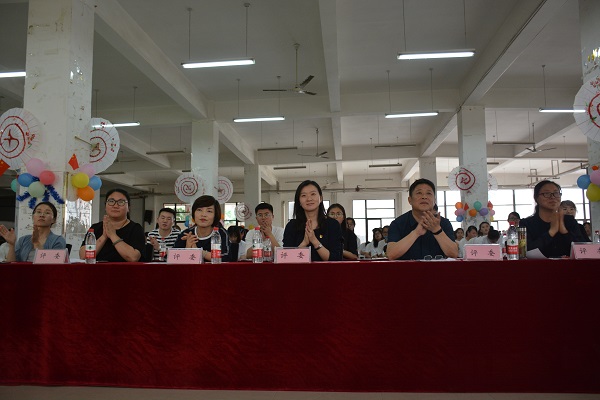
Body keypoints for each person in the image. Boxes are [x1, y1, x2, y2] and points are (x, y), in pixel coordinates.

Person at [387, 179, 457, 260]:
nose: (424, 197)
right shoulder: (398, 224)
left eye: (429, 193)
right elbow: (391, 255)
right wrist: (416, 233)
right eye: (419, 193)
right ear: (410, 200)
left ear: (434, 200)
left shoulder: (444, 223)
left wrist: (437, 230)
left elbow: (454, 254)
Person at [519, 180, 588, 258]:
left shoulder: (570, 221)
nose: (553, 197)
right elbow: (525, 251)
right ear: (536, 198)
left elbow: (583, 250)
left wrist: (564, 231)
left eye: (556, 193)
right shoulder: (526, 224)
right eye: (547, 193)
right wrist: (551, 232)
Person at [79, 189, 146, 262]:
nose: (115, 206)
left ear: (128, 208)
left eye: (121, 202)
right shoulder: (95, 228)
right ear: (105, 206)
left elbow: (133, 258)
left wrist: (112, 235)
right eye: (111, 201)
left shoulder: (135, 229)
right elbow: (83, 256)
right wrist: (104, 236)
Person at [283, 180, 343, 261]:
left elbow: (335, 259)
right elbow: (286, 259)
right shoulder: (291, 226)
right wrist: (304, 243)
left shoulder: (332, 225)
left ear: (320, 198)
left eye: (313, 194)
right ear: (299, 201)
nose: (309, 199)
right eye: (304, 195)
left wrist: (314, 241)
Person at [173, 195, 233, 262]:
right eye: (199, 210)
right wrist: (187, 249)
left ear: (215, 215)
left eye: (209, 211)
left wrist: (199, 252)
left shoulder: (221, 233)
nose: (203, 214)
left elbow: (226, 258)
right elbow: (173, 258)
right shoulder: (186, 234)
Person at [0, 201, 66, 262]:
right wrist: (11, 245)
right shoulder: (23, 240)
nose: (42, 215)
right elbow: (12, 265)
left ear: (54, 220)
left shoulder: (58, 240)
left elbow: (53, 265)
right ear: (33, 217)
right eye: (39, 212)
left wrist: (36, 243)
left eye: (47, 213)